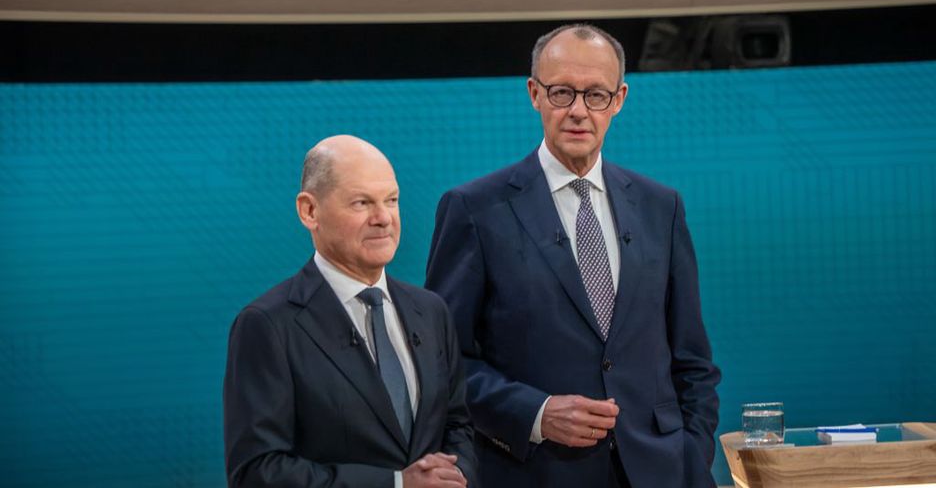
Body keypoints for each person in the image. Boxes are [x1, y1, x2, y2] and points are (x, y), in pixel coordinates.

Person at [425, 24, 721, 487]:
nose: (579, 111)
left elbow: (693, 361)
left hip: (658, 472)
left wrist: (691, 457)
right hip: (536, 473)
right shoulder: (474, 210)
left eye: (596, 95)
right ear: (534, 94)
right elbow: (443, 362)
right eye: (562, 92)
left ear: (619, 99)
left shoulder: (661, 207)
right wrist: (536, 413)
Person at [224, 135, 477, 488]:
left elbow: (457, 426)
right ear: (309, 211)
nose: (383, 218)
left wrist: (457, 476)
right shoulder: (267, 326)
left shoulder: (431, 311)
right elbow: (257, 471)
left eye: (391, 200)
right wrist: (396, 484)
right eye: (362, 203)